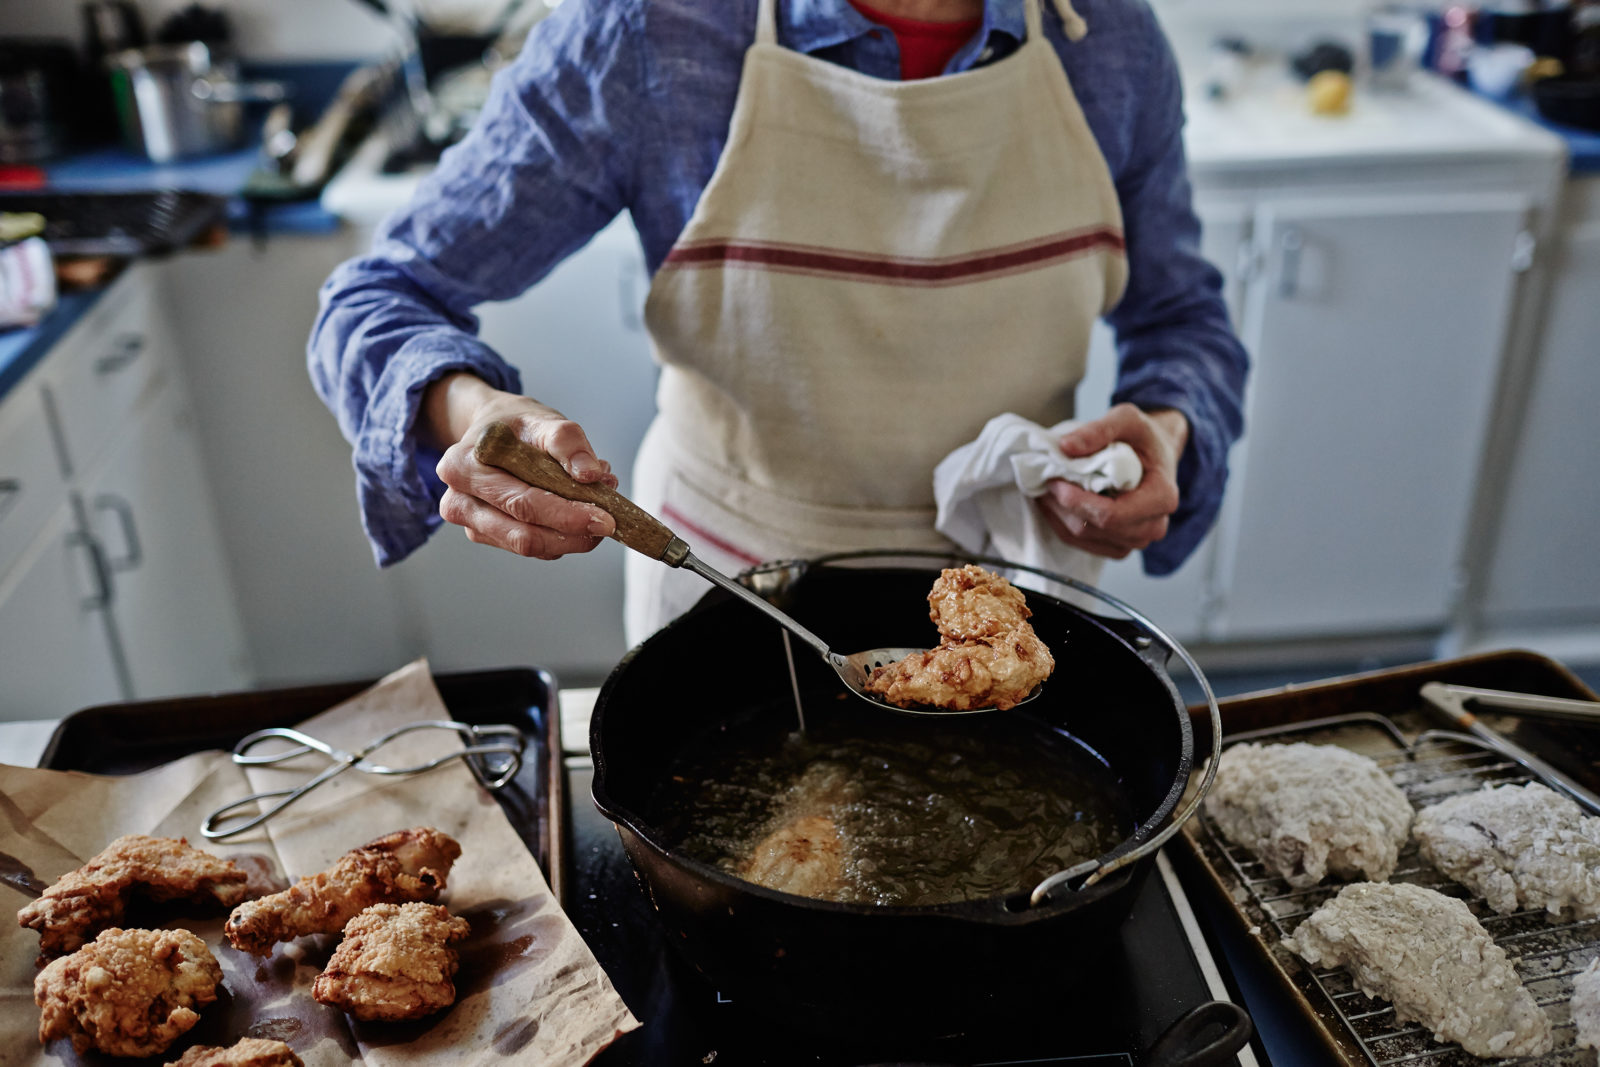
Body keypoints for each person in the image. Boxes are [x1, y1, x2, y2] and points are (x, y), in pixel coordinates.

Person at [309, 0, 1248, 646]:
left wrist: (1164, 429)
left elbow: (1183, 318)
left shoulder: (1109, 40)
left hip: (1016, 599)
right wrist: (466, 413)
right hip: (729, 597)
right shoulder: (649, 33)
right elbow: (381, 297)